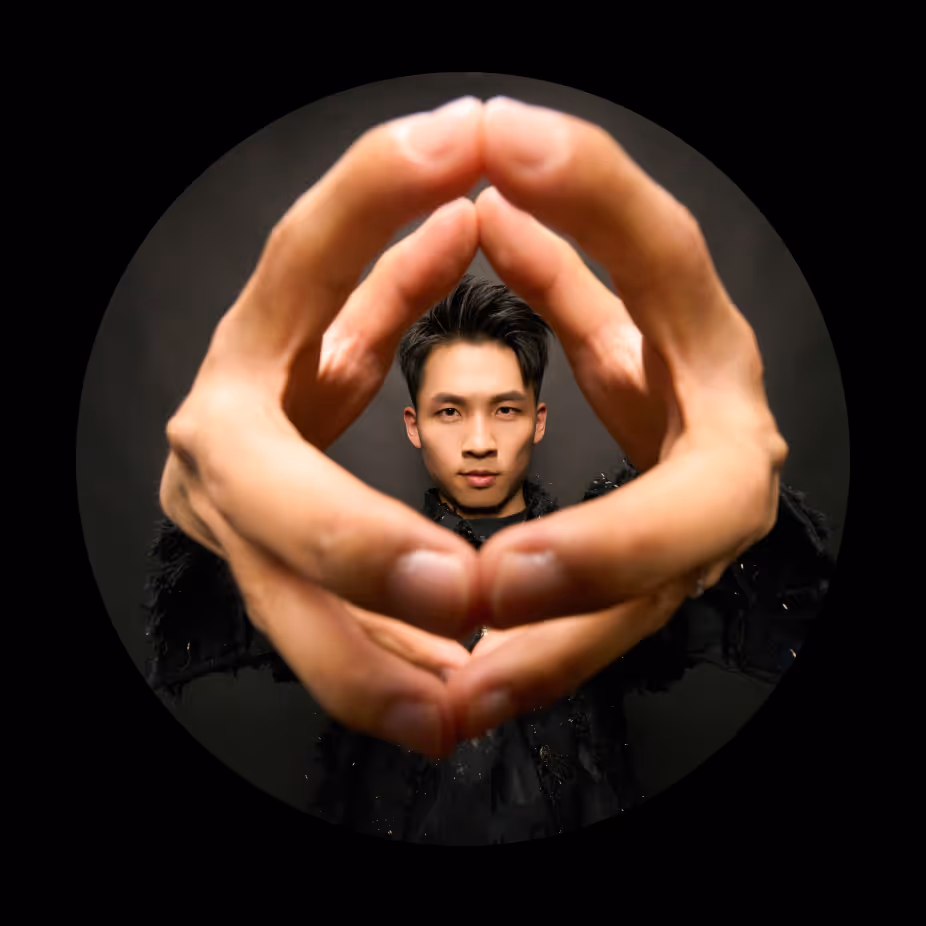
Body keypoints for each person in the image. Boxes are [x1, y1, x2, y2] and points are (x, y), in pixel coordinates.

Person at [142, 95, 838, 841]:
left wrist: (729, 495)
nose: (478, 440)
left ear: (538, 421)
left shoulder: (618, 551)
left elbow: (767, 604)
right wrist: (210, 508)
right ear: (413, 427)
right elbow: (230, 584)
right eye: (450, 411)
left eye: (505, 410)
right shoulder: (346, 568)